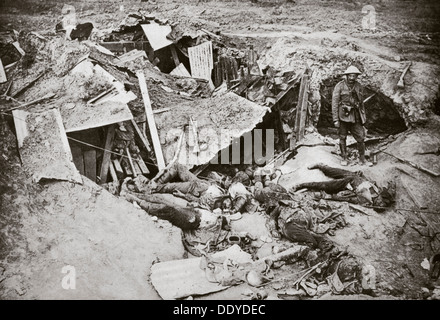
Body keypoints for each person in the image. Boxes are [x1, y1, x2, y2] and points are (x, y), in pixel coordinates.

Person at [292, 163, 395, 210]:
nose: (379, 202)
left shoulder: (365, 199)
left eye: (378, 204)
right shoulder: (381, 192)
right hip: (354, 176)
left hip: (347, 184)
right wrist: (392, 185)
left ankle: (301, 185)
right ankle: (321, 166)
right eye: (381, 202)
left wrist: (335, 197)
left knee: (325, 185)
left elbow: (350, 199)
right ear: (382, 199)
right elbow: (391, 191)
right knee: (331, 171)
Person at [332, 66, 372, 166]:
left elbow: (361, 103)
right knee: (342, 137)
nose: (351, 78)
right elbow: (334, 103)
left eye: (354, 76)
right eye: (350, 75)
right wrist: (335, 119)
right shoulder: (340, 86)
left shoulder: (358, 86)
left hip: (355, 116)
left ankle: (362, 159)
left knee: (361, 138)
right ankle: (344, 157)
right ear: (347, 75)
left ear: (356, 76)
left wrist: (363, 117)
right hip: (343, 116)